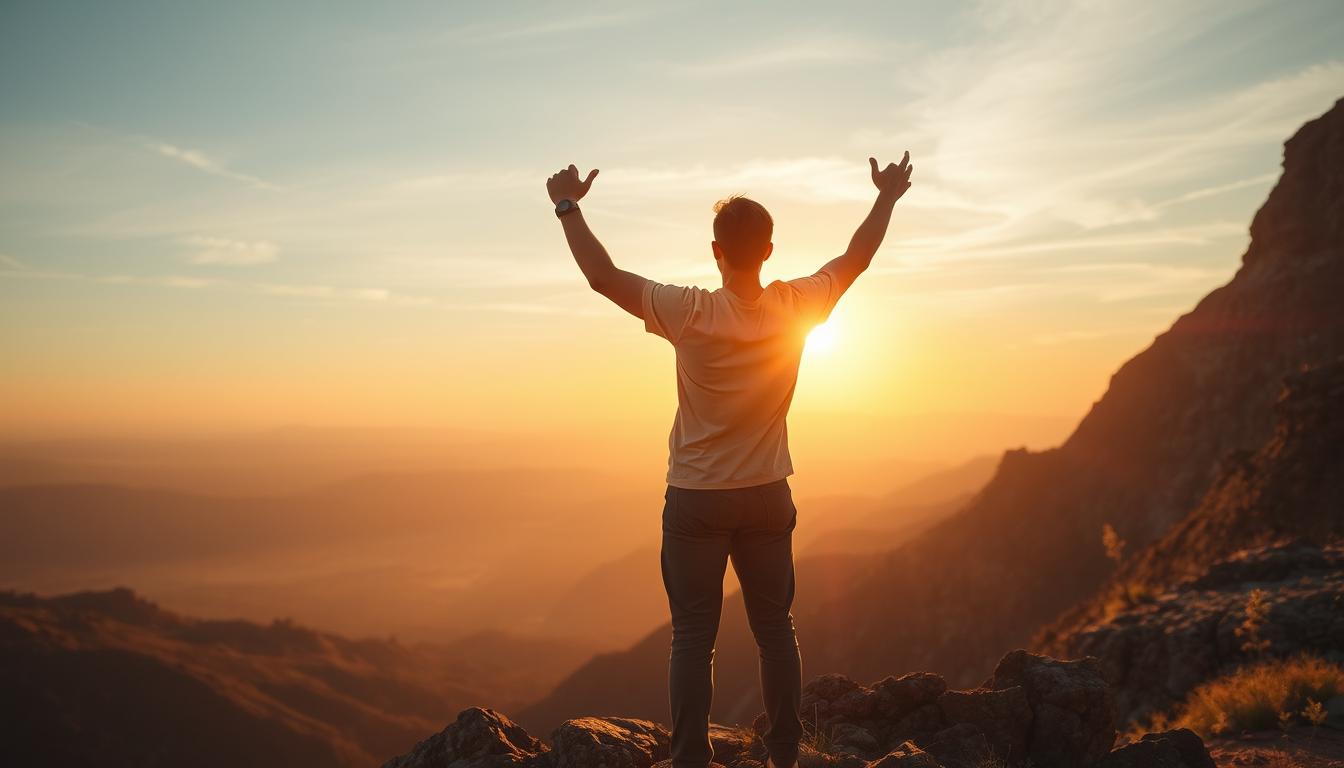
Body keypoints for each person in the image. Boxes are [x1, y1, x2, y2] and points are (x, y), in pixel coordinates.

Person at [546, 153, 914, 768]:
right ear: (768, 250)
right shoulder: (797, 306)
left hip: (696, 498)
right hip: (768, 492)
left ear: (717, 250)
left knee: (694, 637)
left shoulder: (689, 312)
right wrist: (886, 197)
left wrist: (568, 207)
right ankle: (785, 755)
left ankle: (691, 759)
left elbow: (603, 277)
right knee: (777, 632)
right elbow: (855, 260)